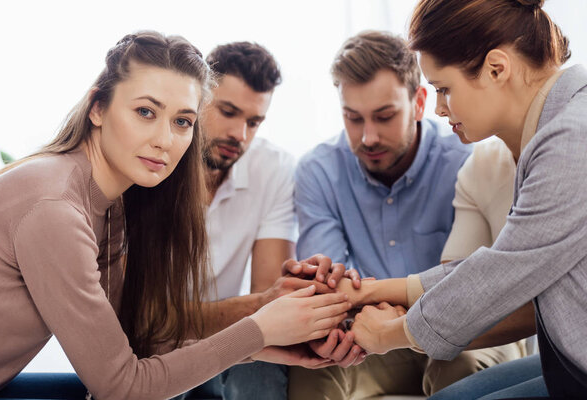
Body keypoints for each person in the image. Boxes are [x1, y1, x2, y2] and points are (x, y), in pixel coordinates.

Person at [0, 31, 353, 400]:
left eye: (182, 122)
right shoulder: (56, 209)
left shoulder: (109, 204)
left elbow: (132, 342)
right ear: (98, 107)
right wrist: (258, 329)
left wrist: (262, 345)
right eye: (145, 112)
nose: (165, 140)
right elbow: (122, 387)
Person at [344, 0, 587, 398]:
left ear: (496, 68)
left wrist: (390, 334)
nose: (439, 108)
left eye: (444, 89)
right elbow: (489, 265)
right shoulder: (554, 127)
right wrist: (372, 291)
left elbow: (500, 275)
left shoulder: (572, 138)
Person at [290, 30, 520, 399]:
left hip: (465, 330)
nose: (367, 137)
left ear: (419, 102)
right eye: (353, 118)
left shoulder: (467, 162)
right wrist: (343, 330)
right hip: (367, 331)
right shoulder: (318, 171)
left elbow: (476, 286)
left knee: (459, 365)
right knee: (313, 368)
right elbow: (330, 283)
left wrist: (388, 315)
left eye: (383, 117)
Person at [179, 41, 359, 400]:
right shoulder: (155, 162)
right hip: (155, 343)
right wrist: (263, 307)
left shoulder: (273, 169)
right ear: (198, 100)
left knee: (264, 365)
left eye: (253, 121)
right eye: (227, 112)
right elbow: (147, 319)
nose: (239, 134)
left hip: (228, 340)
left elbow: (267, 296)